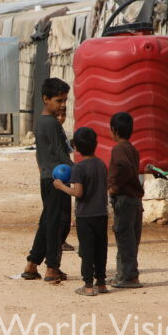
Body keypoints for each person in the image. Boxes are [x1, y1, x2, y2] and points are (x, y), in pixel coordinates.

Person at [22, 78, 73, 283]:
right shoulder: (51, 123)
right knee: (57, 224)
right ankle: (52, 268)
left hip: (48, 177)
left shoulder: (42, 122)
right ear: (45, 99)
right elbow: (61, 154)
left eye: (65, 101)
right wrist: (83, 171)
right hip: (57, 180)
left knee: (47, 223)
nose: (62, 105)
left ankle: (32, 265)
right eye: (58, 100)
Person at [54, 127, 109, 296]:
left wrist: (61, 186)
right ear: (95, 144)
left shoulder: (79, 168)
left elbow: (78, 192)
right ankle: (101, 283)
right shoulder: (101, 164)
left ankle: (88, 286)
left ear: (75, 147)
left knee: (87, 251)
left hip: (86, 216)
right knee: (101, 249)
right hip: (102, 213)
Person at [108, 112, 144, 288]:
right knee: (130, 239)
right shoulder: (132, 149)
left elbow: (125, 168)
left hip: (125, 200)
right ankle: (122, 274)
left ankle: (129, 276)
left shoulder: (119, 149)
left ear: (113, 130)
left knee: (125, 239)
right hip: (135, 201)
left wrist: (114, 186)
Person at [56, 110, 74, 252]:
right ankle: (59, 241)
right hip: (60, 176)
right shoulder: (55, 132)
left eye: (63, 115)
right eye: (58, 116)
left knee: (65, 210)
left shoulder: (61, 131)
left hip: (65, 175)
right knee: (62, 210)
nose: (61, 118)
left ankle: (61, 240)